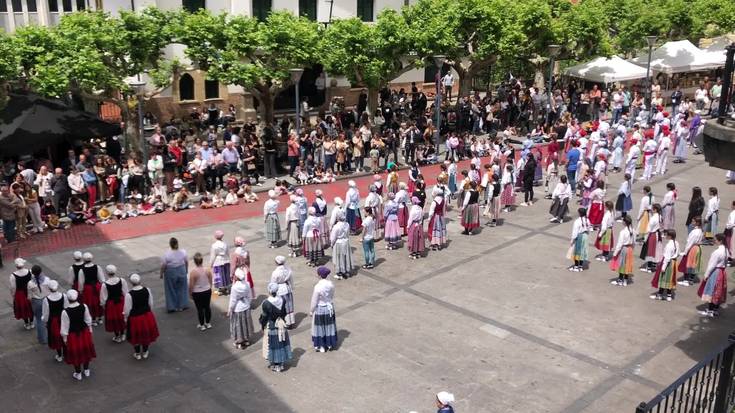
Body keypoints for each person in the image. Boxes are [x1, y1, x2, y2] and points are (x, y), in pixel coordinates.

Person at [61, 289, 96, 380]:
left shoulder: (65, 312)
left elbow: (65, 327)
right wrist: (90, 331)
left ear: (68, 299)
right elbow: (88, 320)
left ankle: (78, 373)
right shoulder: (84, 306)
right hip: (84, 333)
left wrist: (65, 339)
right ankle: (86, 370)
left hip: (73, 335)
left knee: (75, 353)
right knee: (85, 351)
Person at [124, 274, 159, 360]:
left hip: (135, 318)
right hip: (146, 315)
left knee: (136, 335)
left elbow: (127, 309)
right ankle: (145, 351)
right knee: (145, 333)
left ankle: (137, 353)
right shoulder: (147, 290)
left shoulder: (129, 295)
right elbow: (150, 303)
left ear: (131, 283)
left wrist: (126, 318)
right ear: (140, 281)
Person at [260, 282, 293, 373]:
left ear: (269, 291)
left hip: (272, 325)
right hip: (281, 324)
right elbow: (285, 312)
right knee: (281, 343)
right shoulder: (282, 299)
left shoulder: (266, 303)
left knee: (273, 345)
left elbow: (264, 317)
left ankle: (275, 364)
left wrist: (262, 326)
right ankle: (281, 363)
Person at [697, 234, 728, 317]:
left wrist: (706, 274)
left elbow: (711, 265)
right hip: (722, 272)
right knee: (719, 291)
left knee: (712, 290)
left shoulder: (717, 252)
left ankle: (710, 310)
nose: (714, 241)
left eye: (715, 239)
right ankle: (715, 309)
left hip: (715, 272)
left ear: (720, 241)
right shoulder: (726, 250)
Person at [310, 266, 337, 353]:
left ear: (319, 275)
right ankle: (329, 344)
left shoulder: (317, 287)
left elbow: (314, 300)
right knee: (329, 326)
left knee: (320, 327)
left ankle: (321, 345)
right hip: (329, 307)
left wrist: (311, 310)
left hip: (320, 308)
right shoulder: (331, 284)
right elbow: (332, 295)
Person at [99, 265, 128, 343]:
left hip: (111, 304)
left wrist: (103, 305)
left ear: (107, 273)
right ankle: (123, 334)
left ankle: (117, 336)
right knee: (121, 317)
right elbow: (125, 292)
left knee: (114, 320)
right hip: (121, 301)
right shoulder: (122, 280)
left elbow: (103, 297)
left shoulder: (104, 285)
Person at [160, 237, 189, 313]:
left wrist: (161, 273)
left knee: (171, 289)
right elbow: (186, 262)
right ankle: (182, 305)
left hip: (171, 272)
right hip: (181, 270)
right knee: (182, 288)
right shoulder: (183, 252)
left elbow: (164, 265)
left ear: (170, 245)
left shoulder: (167, 254)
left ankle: (172, 306)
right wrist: (186, 270)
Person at [75, 253, 104, 326]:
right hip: (97, 287)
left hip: (88, 288)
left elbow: (81, 282)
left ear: (84, 260)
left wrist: (80, 290)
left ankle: (93, 319)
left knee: (90, 303)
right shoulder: (97, 267)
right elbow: (101, 279)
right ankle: (100, 318)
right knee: (98, 301)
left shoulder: (82, 270)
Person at [650, 230, 680, 302]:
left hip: (668, 263)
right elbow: (678, 253)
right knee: (670, 279)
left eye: (666, 235)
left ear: (669, 236)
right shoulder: (676, 243)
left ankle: (660, 294)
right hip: (674, 262)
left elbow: (667, 258)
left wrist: (663, 267)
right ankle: (669, 295)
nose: (665, 236)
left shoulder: (669, 245)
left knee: (663, 278)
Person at [228, 268, 254, 349]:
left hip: (237, 308)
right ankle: (246, 339)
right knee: (245, 323)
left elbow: (233, 300)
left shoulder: (235, 287)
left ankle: (239, 341)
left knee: (237, 325)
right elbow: (249, 296)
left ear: (236, 277)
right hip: (246, 306)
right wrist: (248, 303)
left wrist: (230, 310)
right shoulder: (247, 284)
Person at [42, 280, 67, 362]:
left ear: (49, 288)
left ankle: (60, 355)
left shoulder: (46, 300)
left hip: (54, 321)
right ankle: (66, 354)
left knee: (57, 338)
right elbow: (66, 307)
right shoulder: (64, 296)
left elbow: (46, 314)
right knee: (65, 335)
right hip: (63, 319)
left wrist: (45, 321)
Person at [189, 252, 213, 331]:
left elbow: (191, 285)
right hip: (207, 290)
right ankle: (208, 323)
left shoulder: (193, 272)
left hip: (197, 292)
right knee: (207, 307)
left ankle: (202, 325)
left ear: (195, 261)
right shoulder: (207, 270)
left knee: (199, 309)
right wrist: (210, 288)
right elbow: (210, 280)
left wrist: (190, 293)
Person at [27, 264, 50, 344]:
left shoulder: (30, 283)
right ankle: (50, 336)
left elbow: (29, 296)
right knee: (49, 319)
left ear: (32, 273)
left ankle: (42, 339)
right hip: (47, 300)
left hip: (36, 301)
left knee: (39, 320)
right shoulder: (47, 280)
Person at [678, 217, 703, 287]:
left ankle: (686, 280)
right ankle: (691, 279)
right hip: (697, 248)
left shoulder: (694, 232)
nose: (692, 222)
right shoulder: (700, 230)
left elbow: (690, 243)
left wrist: (685, 252)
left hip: (692, 248)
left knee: (687, 263)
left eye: (693, 221)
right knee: (694, 264)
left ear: (697, 223)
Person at [610, 215, 635, 286]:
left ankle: (620, 279)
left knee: (622, 264)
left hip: (624, 249)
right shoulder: (633, 230)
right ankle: (625, 280)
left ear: (624, 222)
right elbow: (634, 242)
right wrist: (632, 249)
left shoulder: (623, 232)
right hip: (630, 249)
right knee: (627, 264)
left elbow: (619, 244)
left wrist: (615, 253)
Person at [271, 256, 295, 327]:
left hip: (280, 290)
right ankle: (291, 321)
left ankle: (285, 322)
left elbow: (273, 283)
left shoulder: (275, 272)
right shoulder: (288, 269)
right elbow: (291, 280)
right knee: (289, 305)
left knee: (282, 306)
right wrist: (292, 287)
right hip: (288, 288)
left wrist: (272, 292)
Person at [330, 211, 354, 279]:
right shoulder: (347, 224)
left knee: (338, 258)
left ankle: (339, 272)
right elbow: (348, 233)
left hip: (338, 243)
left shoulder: (336, 226)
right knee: (345, 257)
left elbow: (333, 237)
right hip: (346, 242)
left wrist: (332, 244)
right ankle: (346, 271)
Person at [209, 230, 231, 295]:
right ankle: (226, 288)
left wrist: (211, 264)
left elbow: (213, 256)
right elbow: (228, 253)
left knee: (219, 276)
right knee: (225, 275)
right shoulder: (225, 244)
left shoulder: (214, 245)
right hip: (225, 261)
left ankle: (220, 290)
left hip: (218, 261)